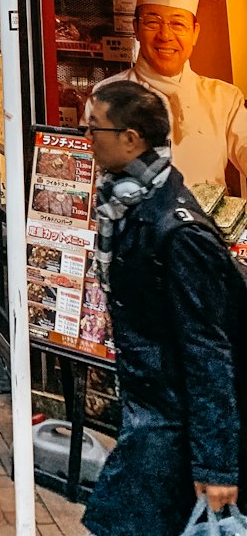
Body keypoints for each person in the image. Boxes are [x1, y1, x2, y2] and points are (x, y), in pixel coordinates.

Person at [83, 78, 244, 536]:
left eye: (95, 129)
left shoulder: (178, 233)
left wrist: (217, 467)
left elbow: (208, 351)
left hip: (173, 427)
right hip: (150, 411)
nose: (87, 139)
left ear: (131, 140)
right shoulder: (127, 204)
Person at [95, 0, 247, 187]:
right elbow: (93, 179)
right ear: (136, 27)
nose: (166, 35)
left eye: (178, 23)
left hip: (203, 230)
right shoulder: (106, 95)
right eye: (153, 21)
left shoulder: (225, 100)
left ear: (194, 33)